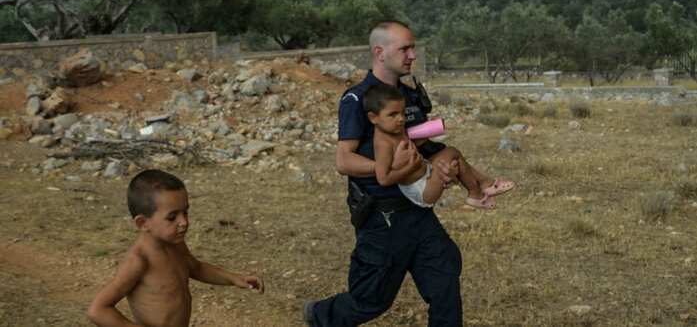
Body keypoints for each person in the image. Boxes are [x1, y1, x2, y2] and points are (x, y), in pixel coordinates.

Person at [304, 20, 513, 327]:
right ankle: (321, 315)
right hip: (382, 217)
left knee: (444, 278)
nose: (412, 55)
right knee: (371, 300)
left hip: (417, 210)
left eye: (413, 48)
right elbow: (344, 161)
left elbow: (424, 149)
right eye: (405, 48)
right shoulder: (357, 99)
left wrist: (451, 171)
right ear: (379, 52)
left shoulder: (409, 97)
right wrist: (389, 168)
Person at [87, 169, 264, 327]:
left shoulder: (176, 244)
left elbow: (197, 268)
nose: (184, 222)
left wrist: (234, 278)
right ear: (143, 223)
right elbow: (98, 310)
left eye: (185, 212)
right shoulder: (139, 260)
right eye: (172, 217)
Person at [365, 83, 513, 209]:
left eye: (403, 113)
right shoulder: (382, 143)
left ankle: (482, 186)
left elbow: (410, 141)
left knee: (453, 156)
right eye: (393, 114)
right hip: (421, 189)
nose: (401, 119)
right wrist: (410, 167)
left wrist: (434, 127)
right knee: (451, 154)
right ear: (373, 117)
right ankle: (476, 193)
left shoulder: (394, 129)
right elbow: (383, 179)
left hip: (425, 173)